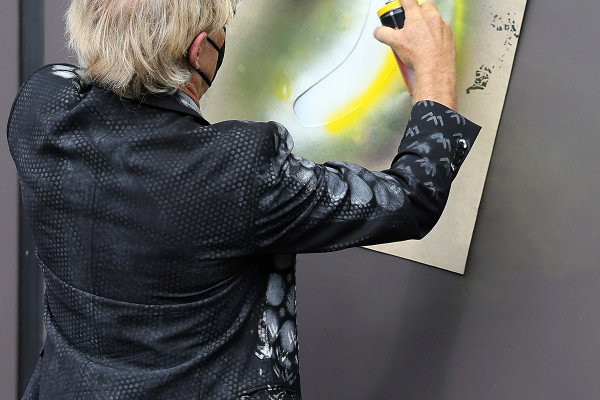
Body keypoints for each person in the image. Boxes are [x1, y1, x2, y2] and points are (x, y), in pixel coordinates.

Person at [8, 0, 480, 398]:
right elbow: (411, 198)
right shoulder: (235, 170)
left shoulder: (41, 107)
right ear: (199, 50)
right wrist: (435, 74)